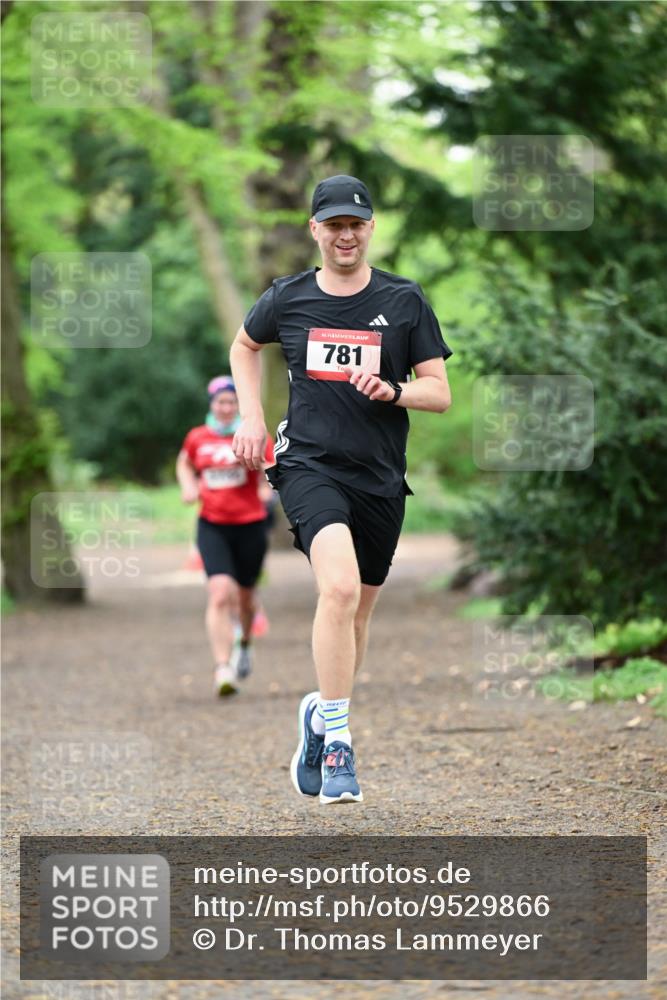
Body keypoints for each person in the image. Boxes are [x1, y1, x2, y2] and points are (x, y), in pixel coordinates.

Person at [230, 174, 452, 803]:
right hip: (308, 465)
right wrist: (251, 417)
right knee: (339, 586)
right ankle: (338, 747)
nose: (345, 235)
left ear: (370, 227)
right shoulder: (288, 298)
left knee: (357, 613)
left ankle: (319, 712)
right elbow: (244, 347)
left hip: (380, 476)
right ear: (315, 230)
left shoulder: (405, 301)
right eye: (334, 224)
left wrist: (396, 390)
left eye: (356, 223)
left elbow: (439, 390)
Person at [176, 375, 275, 696]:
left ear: (239, 406)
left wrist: (264, 486)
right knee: (220, 593)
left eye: (232, 402)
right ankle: (222, 668)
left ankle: (244, 643)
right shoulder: (197, 437)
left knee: (245, 597)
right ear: (212, 405)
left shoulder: (254, 434)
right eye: (221, 402)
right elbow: (185, 462)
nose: (226, 407)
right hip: (212, 524)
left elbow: (272, 469)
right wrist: (189, 485)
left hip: (250, 525)